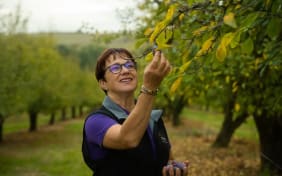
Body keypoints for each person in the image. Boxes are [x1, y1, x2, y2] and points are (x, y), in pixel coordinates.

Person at [82, 48, 189, 176]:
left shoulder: (153, 118)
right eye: (116, 68)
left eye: (130, 66)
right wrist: (150, 87)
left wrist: (173, 168)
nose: (126, 71)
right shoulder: (96, 121)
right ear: (103, 83)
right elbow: (127, 138)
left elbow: (168, 159)